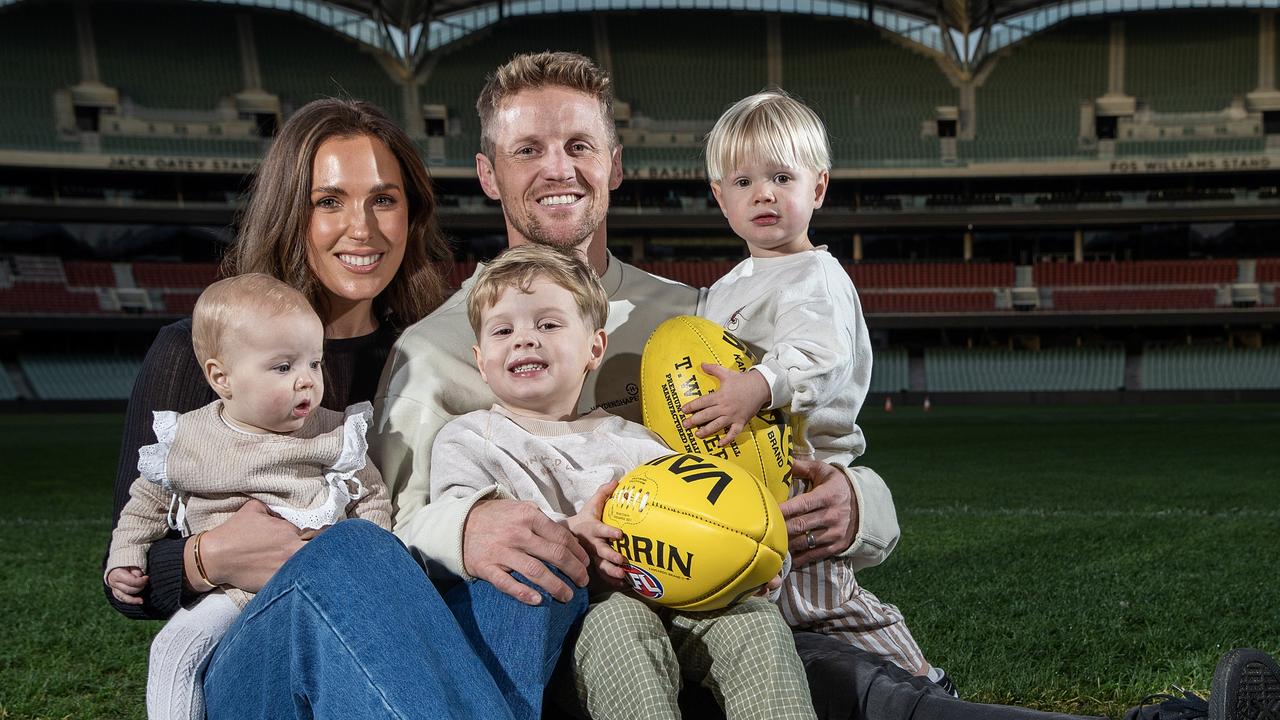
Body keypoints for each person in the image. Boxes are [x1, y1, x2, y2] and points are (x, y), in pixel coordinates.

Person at [372, 50, 1280, 720]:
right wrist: (469, 523)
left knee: (841, 676)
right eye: (528, 150)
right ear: (489, 173)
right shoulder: (435, 350)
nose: (558, 168)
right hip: (579, 630)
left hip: (740, 587)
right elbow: (394, 525)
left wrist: (859, 504)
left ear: (616, 166)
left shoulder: (696, 315)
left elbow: (809, 435)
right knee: (858, 693)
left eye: (579, 145)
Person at [105, 98, 586, 720]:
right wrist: (211, 557)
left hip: (403, 636)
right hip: (255, 653)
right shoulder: (193, 352)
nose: (362, 228)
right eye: (328, 201)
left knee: (531, 572)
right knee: (353, 548)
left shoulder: (436, 350)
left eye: (383, 199)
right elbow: (128, 572)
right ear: (289, 212)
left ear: (411, 213)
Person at [431, 244, 816, 719]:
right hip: (571, 622)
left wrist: (748, 560)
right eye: (503, 330)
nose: (524, 340)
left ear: (595, 347)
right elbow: (465, 539)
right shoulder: (468, 440)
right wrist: (567, 537)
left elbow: (706, 516)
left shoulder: (639, 441)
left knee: (756, 624)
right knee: (619, 620)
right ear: (481, 358)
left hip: (675, 598)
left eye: (548, 325)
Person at [677, 90, 945, 689]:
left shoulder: (816, 276)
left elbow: (820, 358)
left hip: (806, 475)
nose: (763, 194)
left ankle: (923, 680)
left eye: (781, 176)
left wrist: (758, 384)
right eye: (743, 181)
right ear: (720, 198)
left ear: (817, 188)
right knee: (759, 608)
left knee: (825, 603)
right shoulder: (724, 288)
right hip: (748, 480)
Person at [106, 274, 393, 720]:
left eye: (314, 364)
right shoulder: (191, 436)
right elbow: (145, 502)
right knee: (175, 648)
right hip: (229, 590)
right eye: (284, 367)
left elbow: (370, 495)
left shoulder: (331, 432)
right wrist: (125, 556)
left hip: (319, 581)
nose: (306, 382)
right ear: (222, 378)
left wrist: (371, 554)